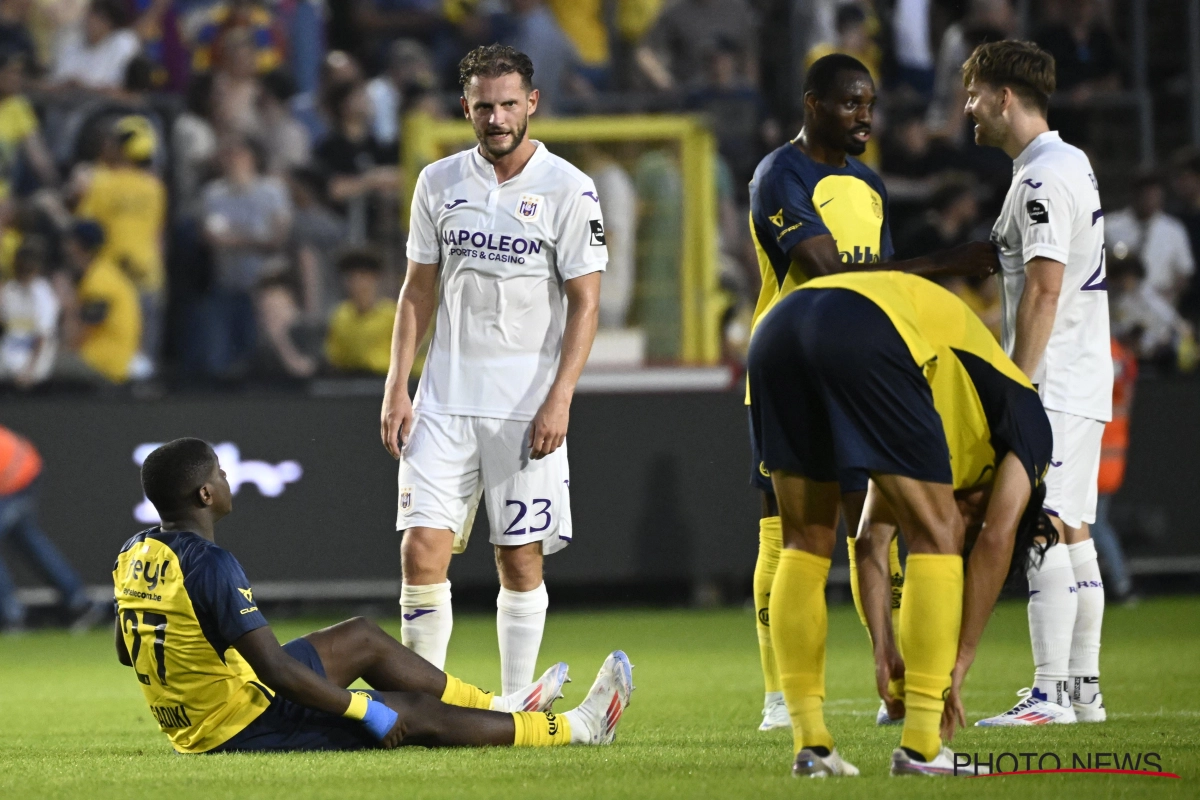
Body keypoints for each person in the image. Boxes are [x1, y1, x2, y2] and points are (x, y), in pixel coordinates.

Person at [744, 53, 998, 733]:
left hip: (858, 374)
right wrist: (944, 261)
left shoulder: (871, 184)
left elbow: (879, 281)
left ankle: (893, 668)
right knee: (788, 535)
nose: (865, 117)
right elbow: (829, 272)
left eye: (870, 104)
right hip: (792, 367)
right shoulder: (781, 174)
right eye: (851, 103)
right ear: (812, 105)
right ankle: (779, 697)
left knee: (873, 531)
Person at [116, 437, 632, 754]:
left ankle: (500, 705)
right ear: (206, 495)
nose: (228, 481)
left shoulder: (135, 553)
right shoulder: (210, 564)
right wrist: (365, 712)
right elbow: (276, 672)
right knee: (413, 711)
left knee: (360, 636)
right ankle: (576, 729)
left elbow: (126, 650)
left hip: (200, 712)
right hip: (236, 726)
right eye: (220, 475)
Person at [749, 270, 1052, 777]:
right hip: (867, 329)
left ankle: (812, 747)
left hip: (779, 328)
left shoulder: (937, 428)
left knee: (804, 541)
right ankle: (923, 746)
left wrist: (884, 650)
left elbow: (869, 540)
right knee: (938, 536)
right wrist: (957, 666)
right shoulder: (1026, 419)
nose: (971, 517)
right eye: (975, 513)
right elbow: (998, 538)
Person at [380, 45, 605, 696]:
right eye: (485, 106)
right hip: (443, 401)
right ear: (466, 108)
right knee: (420, 550)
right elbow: (416, 289)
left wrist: (562, 397)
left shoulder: (568, 189)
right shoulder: (438, 182)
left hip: (525, 405)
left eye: (509, 104)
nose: (498, 117)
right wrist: (399, 384)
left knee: (518, 557)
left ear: (532, 103)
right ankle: (422, 699)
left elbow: (585, 303)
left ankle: (511, 702)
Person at [964, 39, 1112, 725]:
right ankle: (1083, 691)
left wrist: (1017, 386)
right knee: (1075, 529)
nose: (967, 109)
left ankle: (1051, 694)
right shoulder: (1068, 162)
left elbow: (1045, 290)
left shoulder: (1041, 180)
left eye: (973, 94)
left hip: (1054, 384)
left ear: (1003, 98)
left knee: (1043, 527)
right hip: (1081, 376)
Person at [76, 116, 167, 373]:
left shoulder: (99, 183)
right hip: (147, 272)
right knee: (144, 351)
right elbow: (158, 236)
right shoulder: (155, 186)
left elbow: (85, 228)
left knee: (109, 340)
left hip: (112, 275)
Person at [0, 425, 102, 633]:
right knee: (27, 539)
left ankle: (11, 616)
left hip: (18, 477)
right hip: (22, 470)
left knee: (27, 538)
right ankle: (78, 604)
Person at [55, 219, 141, 384]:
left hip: (103, 363)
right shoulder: (100, 272)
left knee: (43, 366)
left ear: (78, 246)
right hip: (103, 357)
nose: (65, 247)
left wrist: (68, 305)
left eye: (69, 241)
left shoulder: (100, 281)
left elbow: (78, 336)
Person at [1106, 173, 1195, 315]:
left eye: (1155, 196)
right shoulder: (1110, 226)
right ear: (1134, 195)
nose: (1150, 201)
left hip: (1160, 305)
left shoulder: (1173, 229)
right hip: (1119, 305)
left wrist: (1168, 294)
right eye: (1146, 196)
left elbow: (1184, 272)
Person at [324, 248, 394, 374]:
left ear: (375, 279)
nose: (357, 283)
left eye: (363, 276)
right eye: (351, 277)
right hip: (349, 380)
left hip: (383, 379)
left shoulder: (393, 315)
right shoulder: (340, 315)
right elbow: (335, 356)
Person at [0, 237, 58, 388]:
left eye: (28, 269)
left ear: (36, 269)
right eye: (21, 268)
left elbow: (43, 336)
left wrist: (29, 370)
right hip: (9, 357)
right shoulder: (9, 290)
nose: (24, 273)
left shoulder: (44, 294)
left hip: (33, 365)